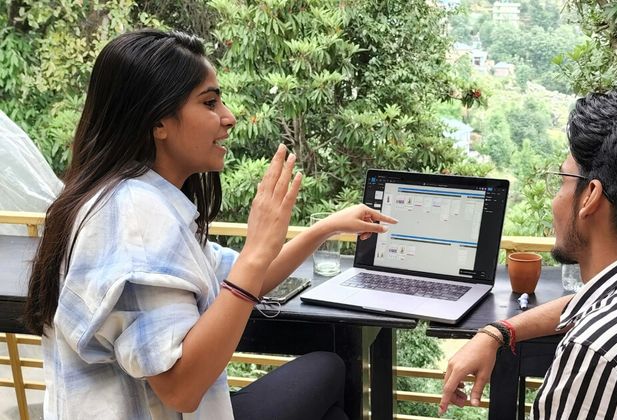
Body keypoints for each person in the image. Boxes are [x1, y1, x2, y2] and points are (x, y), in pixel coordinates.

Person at [23, 29, 396, 420]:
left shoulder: (131, 199)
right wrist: (256, 250)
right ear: (158, 122)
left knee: (328, 374)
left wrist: (323, 229)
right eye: (210, 102)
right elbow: (182, 388)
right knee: (330, 373)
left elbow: (246, 277)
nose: (229, 118)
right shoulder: (134, 216)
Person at [439, 90, 617, 419]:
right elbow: (593, 302)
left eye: (563, 182)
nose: (555, 201)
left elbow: (601, 322)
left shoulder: (596, 352)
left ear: (590, 196)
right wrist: (498, 332)